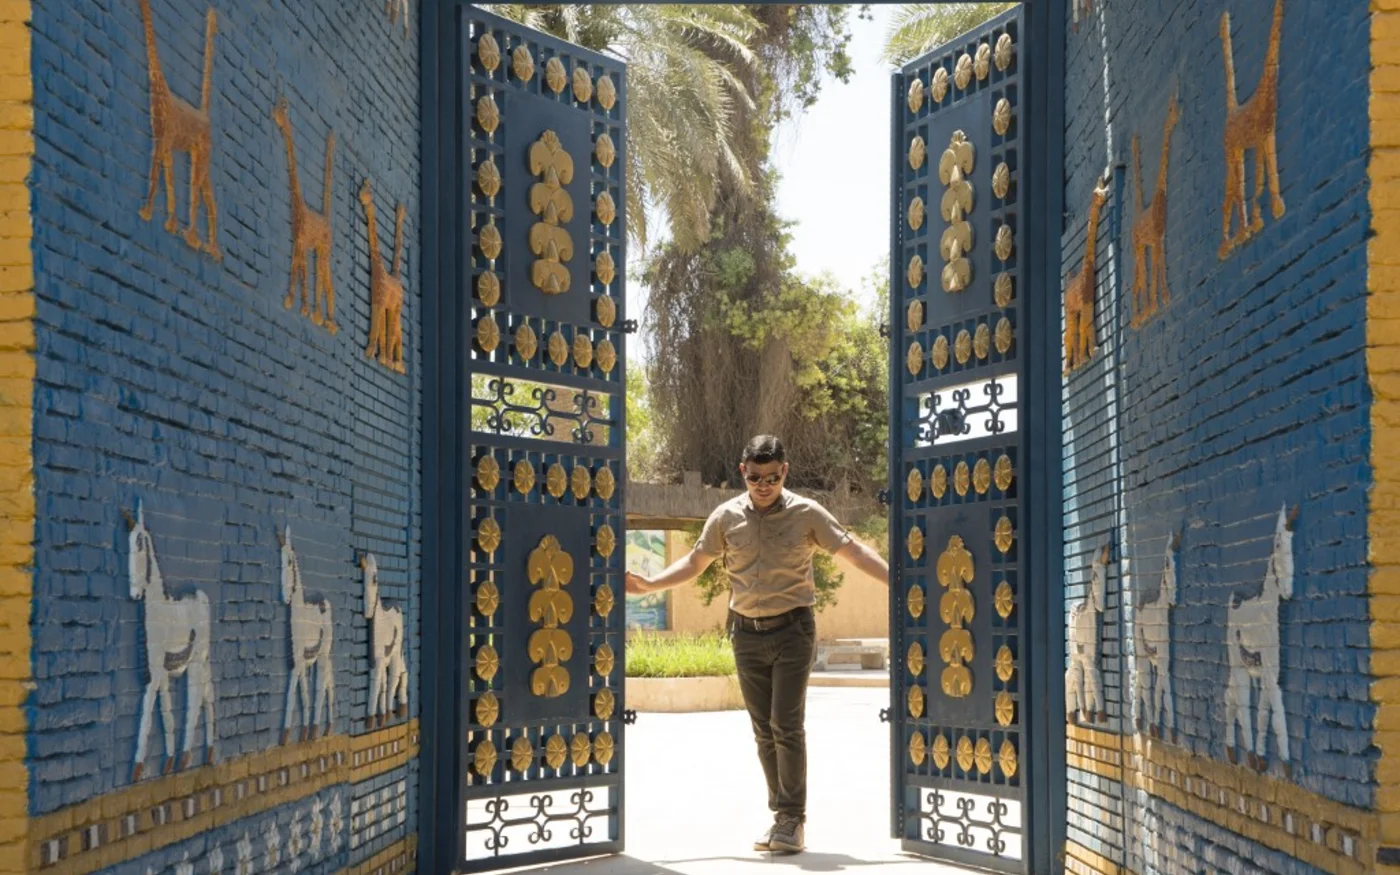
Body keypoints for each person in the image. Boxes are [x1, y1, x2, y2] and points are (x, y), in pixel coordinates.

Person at [624, 435, 890, 855]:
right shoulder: (725, 517)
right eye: (754, 477)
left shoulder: (807, 512)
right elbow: (696, 563)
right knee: (763, 730)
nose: (763, 484)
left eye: (771, 476)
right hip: (745, 633)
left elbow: (851, 550)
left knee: (786, 724)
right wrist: (650, 585)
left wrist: (898, 582)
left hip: (793, 630)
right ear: (742, 471)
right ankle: (780, 815)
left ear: (784, 471)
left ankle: (792, 819)